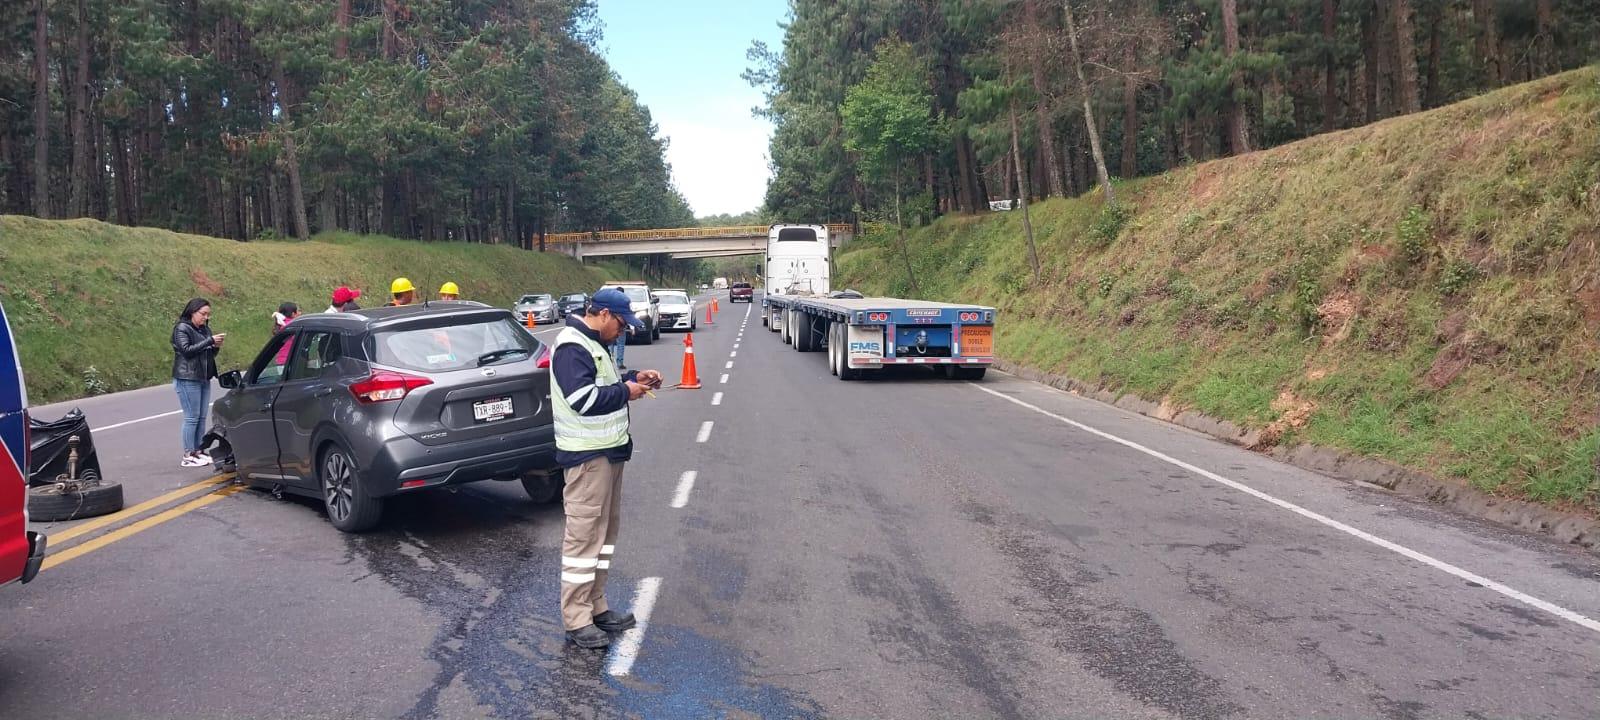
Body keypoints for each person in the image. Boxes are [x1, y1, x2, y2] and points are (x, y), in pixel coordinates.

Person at [549, 288, 662, 649]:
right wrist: (627, 392)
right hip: (587, 458)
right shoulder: (572, 346)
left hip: (608, 455)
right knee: (583, 539)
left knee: (604, 536)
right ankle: (577, 617)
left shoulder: (594, 343)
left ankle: (596, 606)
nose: (624, 331)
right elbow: (582, 400)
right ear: (602, 315)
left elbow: (604, 383)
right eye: (621, 324)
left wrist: (633, 378)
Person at [172, 298, 224, 468]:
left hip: (203, 377)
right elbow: (186, 351)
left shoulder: (204, 329)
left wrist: (215, 346)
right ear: (192, 311)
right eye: (203, 314)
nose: (205, 317)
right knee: (191, 417)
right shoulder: (182, 328)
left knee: (201, 417)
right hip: (187, 377)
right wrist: (209, 341)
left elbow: (208, 355)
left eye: (208, 315)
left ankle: (198, 451)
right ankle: (188, 454)